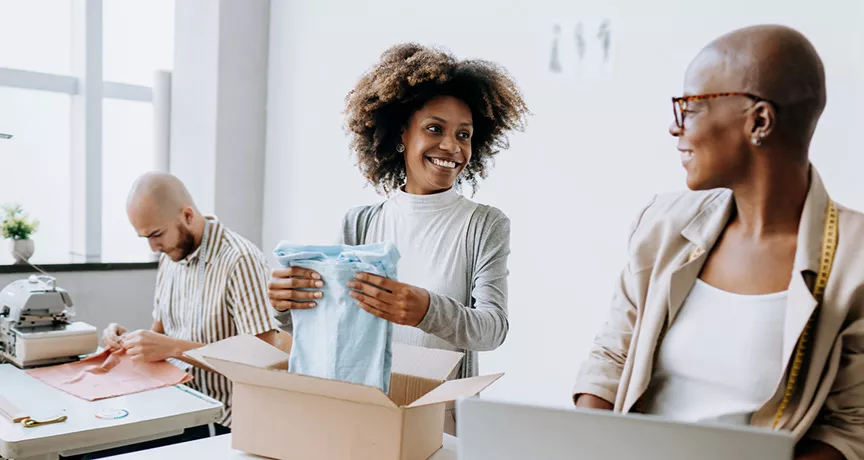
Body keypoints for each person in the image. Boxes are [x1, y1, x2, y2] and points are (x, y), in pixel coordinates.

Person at [572, 25, 864, 460]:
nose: (676, 128)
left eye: (689, 107)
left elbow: (850, 428)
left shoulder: (854, 258)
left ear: (759, 121)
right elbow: (610, 360)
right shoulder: (663, 225)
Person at [267, 43, 529, 434]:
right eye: (434, 129)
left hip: (440, 421)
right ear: (401, 134)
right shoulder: (360, 224)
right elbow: (332, 326)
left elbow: (492, 328)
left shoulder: (484, 225)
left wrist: (425, 309)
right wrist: (286, 306)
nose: (452, 147)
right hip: (364, 410)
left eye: (464, 134)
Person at [100, 172, 279, 440]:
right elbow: (158, 334)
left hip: (223, 422)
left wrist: (173, 347)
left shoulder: (240, 260)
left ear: (187, 215)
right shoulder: (170, 256)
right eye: (145, 237)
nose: (153, 247)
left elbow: (263, 361)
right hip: (175, 404)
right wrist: (130, 341)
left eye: (157, 234)